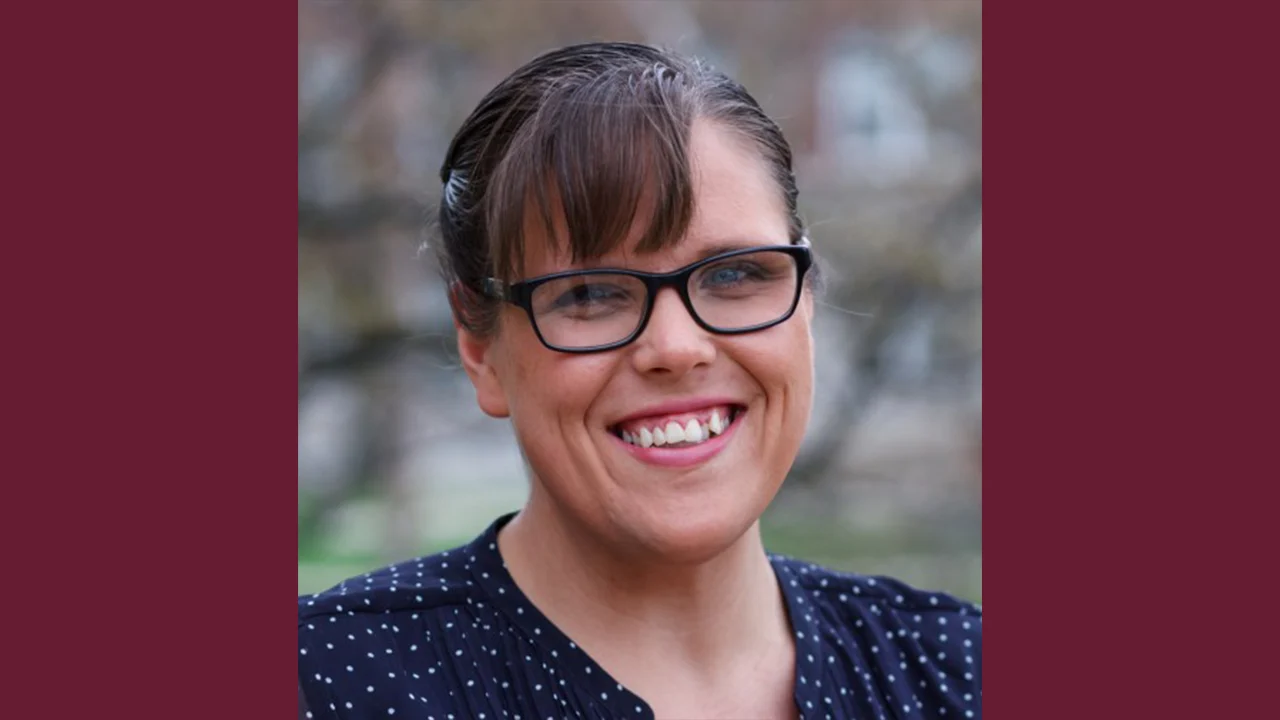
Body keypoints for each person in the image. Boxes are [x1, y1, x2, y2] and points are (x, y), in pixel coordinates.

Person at [298, 41, 982, 720]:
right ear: (480, 348)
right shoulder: (325, 685)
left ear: (805, 298)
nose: (677, 348)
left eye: (735, 274)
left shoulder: (962, 675)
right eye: (591, 294)